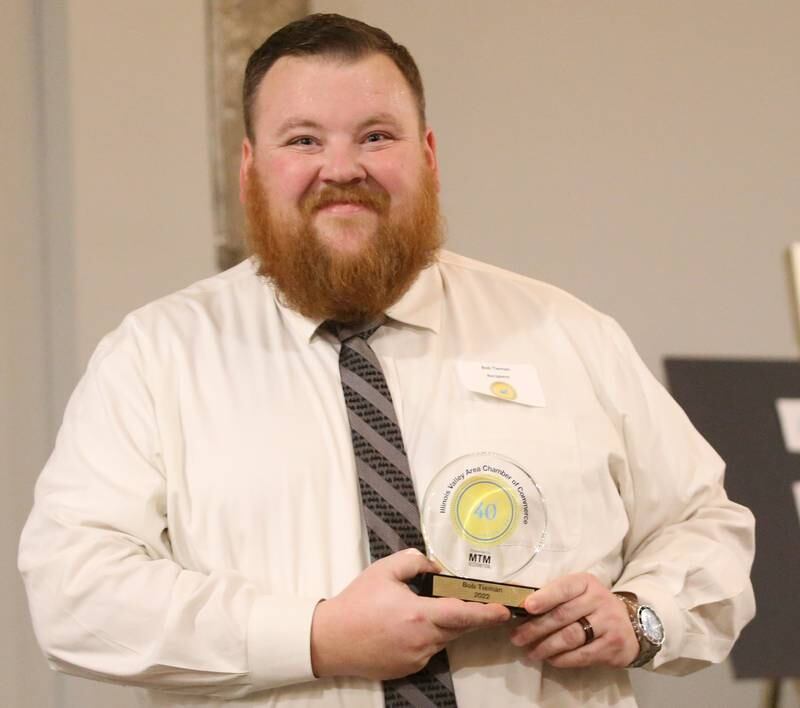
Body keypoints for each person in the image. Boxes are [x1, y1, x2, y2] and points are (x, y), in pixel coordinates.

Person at [19, 13, 755, 708]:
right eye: (303, 140)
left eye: (376, 136)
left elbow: (704, 523)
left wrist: (640, 614)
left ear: (427, 155)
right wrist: (315, 636)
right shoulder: (155, 359)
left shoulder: (566, 333)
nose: (342, 169)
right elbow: (75, 594)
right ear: (249, 167)